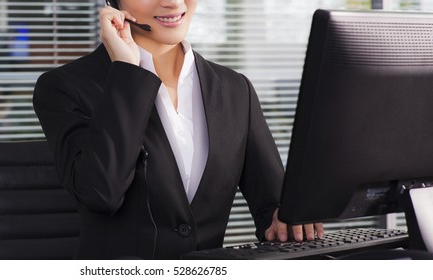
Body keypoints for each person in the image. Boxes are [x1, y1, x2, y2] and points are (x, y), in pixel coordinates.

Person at [33, 0, 324, 260]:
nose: (173, 2)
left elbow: (272, 206)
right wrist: (126, 73)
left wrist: (284, 220)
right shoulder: (65, 87)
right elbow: (100, 194)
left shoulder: (235, 89)